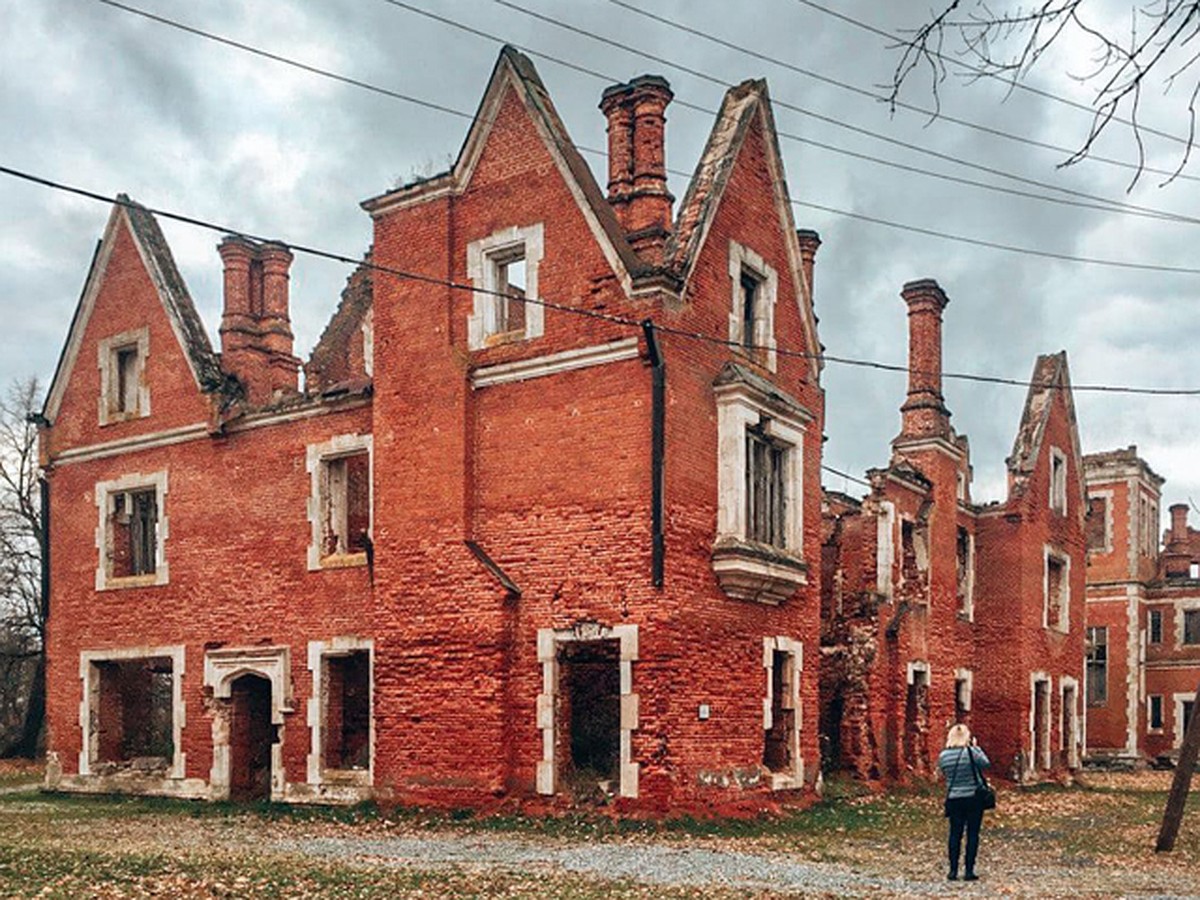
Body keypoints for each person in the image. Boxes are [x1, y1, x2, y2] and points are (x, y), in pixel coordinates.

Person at [938, 723, 990, 881]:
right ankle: (969, 870)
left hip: (954, 798)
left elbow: (943, 772)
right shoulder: (972, 752)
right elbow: (986, 764)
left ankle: (953, 870)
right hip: (973, 798)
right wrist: (976, 748)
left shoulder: (944, 756)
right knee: (972, 834)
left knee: (955, 834)